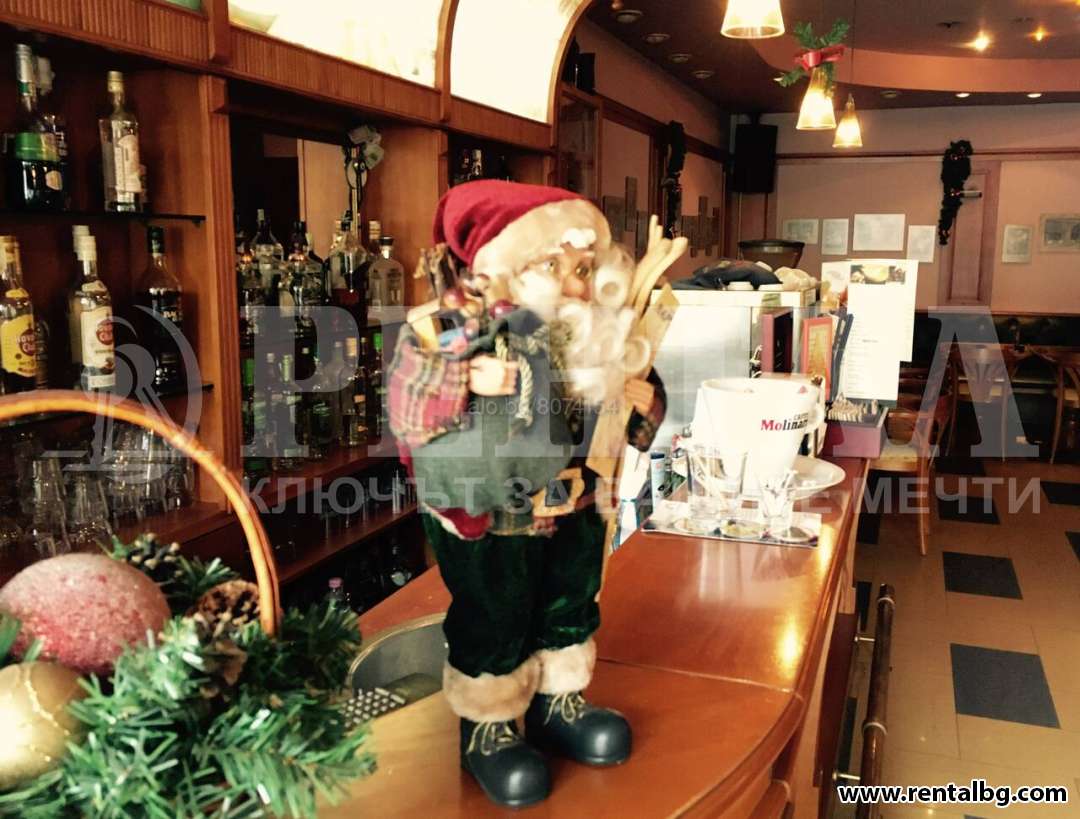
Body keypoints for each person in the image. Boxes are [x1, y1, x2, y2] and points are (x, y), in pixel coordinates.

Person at [388, 181, 665, 808]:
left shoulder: (595, 331)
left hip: (576, 502)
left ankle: (558, 702)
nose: (574, 286)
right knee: (496, 610)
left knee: (570, 598)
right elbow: (406, 407)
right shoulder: (451, 326)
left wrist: (646, 403)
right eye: (552, 267)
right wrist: (464, 379)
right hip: (494, 510)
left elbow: (629, 413)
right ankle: (487, 725)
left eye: (584, 270)